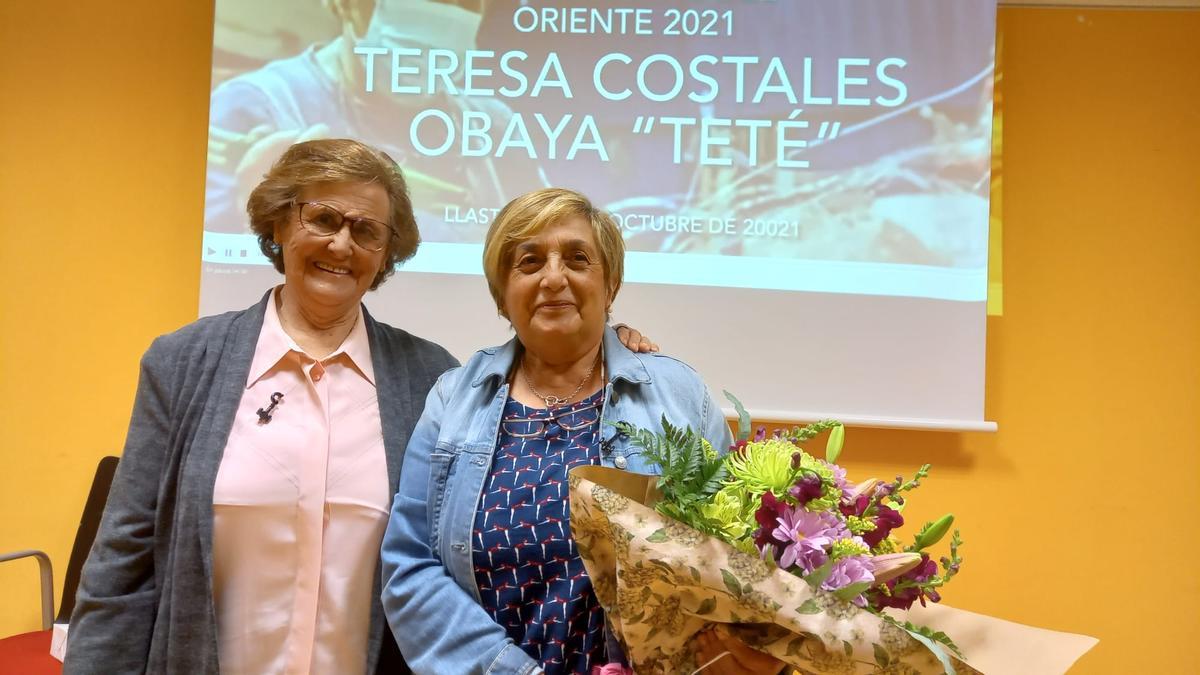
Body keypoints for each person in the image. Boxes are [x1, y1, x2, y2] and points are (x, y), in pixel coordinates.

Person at [65, 141, 653, 674]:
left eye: (367, 230)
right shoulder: (183, 363)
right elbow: (123, 565)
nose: (341, 245)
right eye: (322, 219)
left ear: (386, 252)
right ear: (278, 224)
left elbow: (446, 557)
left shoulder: (432, 378)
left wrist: (617, 348)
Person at [379, 187, 785, 674]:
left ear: (610, 285)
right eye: (529, 262)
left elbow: (738, 555)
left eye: (577, 258)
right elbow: (409, 567)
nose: (555, 277)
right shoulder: (453, 400)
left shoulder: (677, 393)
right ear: (500, 295)